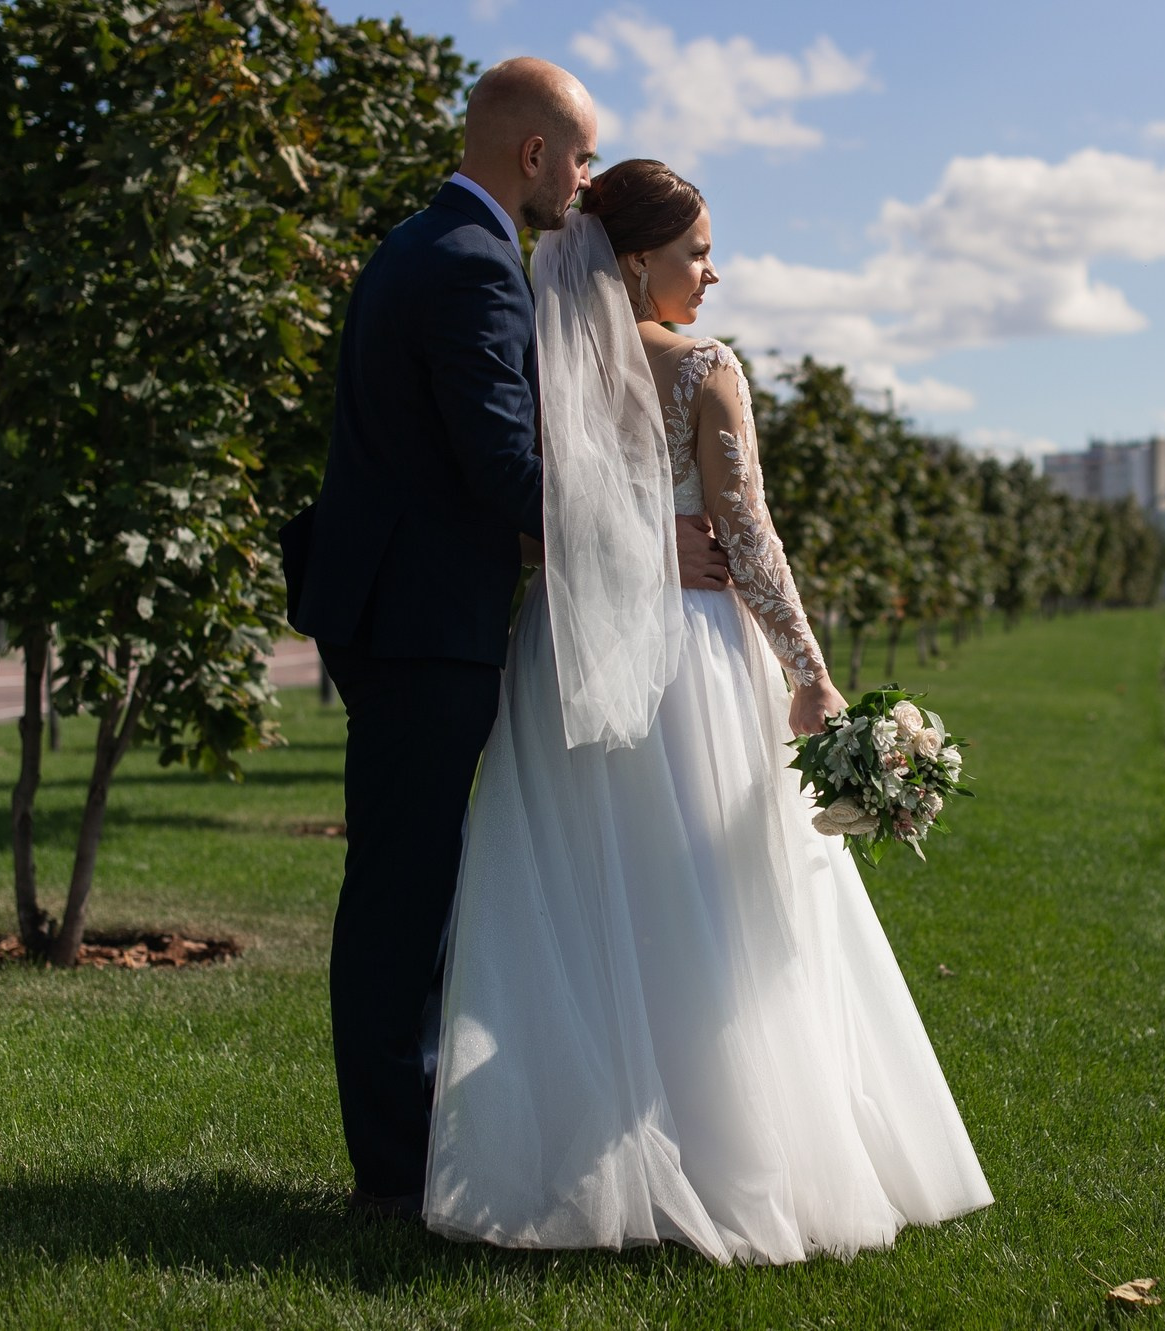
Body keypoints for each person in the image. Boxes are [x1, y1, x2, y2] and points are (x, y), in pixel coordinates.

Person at [423, 159, 993, 1263]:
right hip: (682, 660)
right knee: (718, 906)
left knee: (593, 898)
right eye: (694, 253)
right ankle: (728, 1158)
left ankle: (573, 1164)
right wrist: (813, 675)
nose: (711, 272)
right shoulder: (703, 367)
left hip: (564, 650)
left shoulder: (546, 361)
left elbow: (523, 512)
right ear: (637, 260)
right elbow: (749, 540)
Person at [278, 61, 730, 1220]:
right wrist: (647, 542)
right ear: (533, 155)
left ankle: (408, 1154)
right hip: (424, 625)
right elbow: (504, 468)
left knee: (407, 891)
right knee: (400, 901)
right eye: (579, 159)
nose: (584, 184)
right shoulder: (474, 268)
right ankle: (393, 1177)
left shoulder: (420, 245)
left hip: (398, 611)